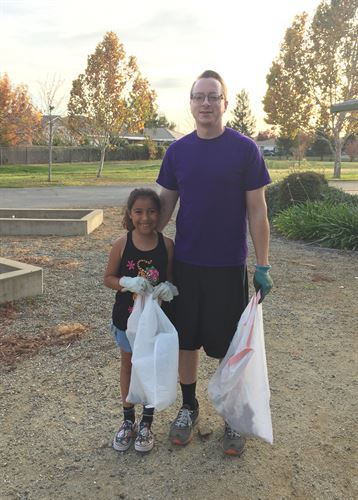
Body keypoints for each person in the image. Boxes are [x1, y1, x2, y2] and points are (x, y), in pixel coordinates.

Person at [156, 70, 273, 456]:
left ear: (225, 102)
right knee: (186, 342)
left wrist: (263, 264)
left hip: (227, 267)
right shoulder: (178, 152)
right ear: (190, 104)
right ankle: (189, 408)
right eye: (198, 97)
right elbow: (164, 207)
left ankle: (232, 417)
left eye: (213, 96)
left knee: (228, 347)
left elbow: (257, 211)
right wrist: (141, 253)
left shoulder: (244, 150)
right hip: (186, 266)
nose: (205, 103)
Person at [104, 188, 177, 453]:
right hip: (126, 320)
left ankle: (147, 422)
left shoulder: (167, 245)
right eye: (138, 211)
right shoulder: (122, 244)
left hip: (154, 323)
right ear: (129, 213)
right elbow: (108, 277)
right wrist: (125, 282)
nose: (145, 218)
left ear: (160, 213)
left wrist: (170, 288)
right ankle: (127, 421)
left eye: (151, 211)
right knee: (128, 366)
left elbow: (171, 278)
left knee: (149, 368)